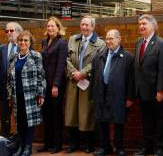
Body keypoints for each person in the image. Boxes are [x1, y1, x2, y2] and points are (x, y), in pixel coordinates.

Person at [65, 15, 105, 153]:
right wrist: (74, 73)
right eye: (82, 24)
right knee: (72, 113)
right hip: (73, 81)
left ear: (93, 27)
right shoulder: (73, 39)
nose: (84, 27)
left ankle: (88, 144)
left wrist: (82, 73)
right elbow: (67, 59)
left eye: (87, 25)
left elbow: (97, 63)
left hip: (87, 83)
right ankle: (73, 143)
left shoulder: (100, 44)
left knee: (86, 114)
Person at [91, 29, 135, 156]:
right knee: (102, 121)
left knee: (118, 121)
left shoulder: (127, 57)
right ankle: (105, 147)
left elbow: (131, 79)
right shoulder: (99, 56)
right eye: (107, 39)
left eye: (112, 38)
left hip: (119, 95)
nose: (109, 41)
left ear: (119, 39)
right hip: (101, 92)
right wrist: (93, 95)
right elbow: (94, 76)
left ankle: (119, 147)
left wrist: (130, 97)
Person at [134, 14, 163, 156]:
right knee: (146, 121)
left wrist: (160, 90)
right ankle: (147, 147)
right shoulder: (138, 43)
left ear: (153, 26)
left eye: (144, 24)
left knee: (160, 121)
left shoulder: (161, 44)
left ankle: (160, 148)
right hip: (142, 92)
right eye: (140, 24)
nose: (141, 26)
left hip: (157, 92)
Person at [7, 30, 46, 156]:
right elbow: (9, 78)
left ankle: (28, 147)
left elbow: (41, 76)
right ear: (17, 42)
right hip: (16, 96)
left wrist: (41, 94)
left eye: (25, 40)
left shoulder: (36, 56)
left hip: (31, 95)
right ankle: (21, 145)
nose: (23, 42)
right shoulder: (13, 57)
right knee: (20, 122)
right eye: (20, 40)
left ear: (30, 42)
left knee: (30, 122)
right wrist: (9, 95)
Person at [37, 17, 68, 154]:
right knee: (46, 114)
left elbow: (61, 64)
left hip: (56, 85)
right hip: (44, 84)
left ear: (58, 27)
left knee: (56, 115)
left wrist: (55, 85)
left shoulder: (62, 43)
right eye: (48, 26)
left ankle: (57, 144)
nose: (50, 28)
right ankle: (47, 143)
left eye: (52, 26)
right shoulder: (44, 41)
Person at [0, 22, 23, 137]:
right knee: (4, 117)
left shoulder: (24, 47)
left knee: (20, 117)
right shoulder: (2, 49)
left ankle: (21, 143)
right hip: (4, 90)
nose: (8, 33)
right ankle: (4, 143)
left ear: (18, 32)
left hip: (20, 88)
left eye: (11, 31)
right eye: (6, 31)